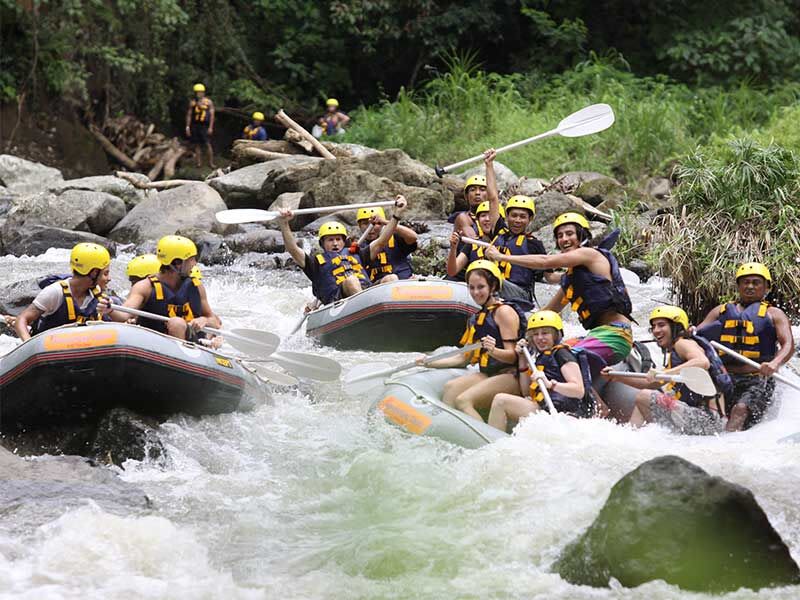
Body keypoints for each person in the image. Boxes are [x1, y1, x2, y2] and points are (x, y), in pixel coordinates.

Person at [486, 212, 634, 367]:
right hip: (598, 334)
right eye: (560, 236)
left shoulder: (590, 254)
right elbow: (547, 311)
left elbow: (545, 261)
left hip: (616, 335)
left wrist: (501, 257)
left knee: (558, 358)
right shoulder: (571, 280)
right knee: (547, 355)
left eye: (569, 234)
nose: (564, 239)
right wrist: (517, 331)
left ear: (581, 235)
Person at [696, 262, 795, 431]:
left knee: (740, 410)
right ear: (738, 285)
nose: (750, 286)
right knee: (708, 413)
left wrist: (775, 363)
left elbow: (789, 345)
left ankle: (726, 445)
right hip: (724, 377)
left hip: (757, 378)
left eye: (756, 282)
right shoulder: (720, 311)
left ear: (767, 287)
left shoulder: (774, 314)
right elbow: (697, 337)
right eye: (745, 282)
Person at [424, 260, 527, 422]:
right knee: (450, 389)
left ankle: (485, 436)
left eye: (481, 287)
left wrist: (493, 351)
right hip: (489, 374)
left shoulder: (504, 312)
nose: (475, 292)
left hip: (511, 376)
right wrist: (428, 362)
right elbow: (463, 358)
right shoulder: (476, 319)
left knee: (463, 401)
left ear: (493, 287)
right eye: (471, 287)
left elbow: (514, 356)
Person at [604, 306, 729, 435]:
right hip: (702, 419)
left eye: (661, 325)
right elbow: (651, 383)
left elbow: (702, 362)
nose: (656, 331)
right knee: (643, 399)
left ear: (676, 327)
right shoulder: (676, 354)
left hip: (709, 421)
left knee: (644, 396)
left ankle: (631, 435)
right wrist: (617, 377)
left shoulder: (683, 343)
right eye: (653, 327)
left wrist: (666, 373)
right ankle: (631, 435)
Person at [278, 196, 408, 305]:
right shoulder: (314, 262)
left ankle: (396, 312)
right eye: (330, 240)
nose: (335, 243)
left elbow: (382, 241)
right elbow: (292, 249)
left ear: (344, 241)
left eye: (338, 239)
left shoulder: (358, 253)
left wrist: (396, 215)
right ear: (322, 243)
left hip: (367, 293)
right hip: (339, 300)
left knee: (391, 278)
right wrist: (284, 223)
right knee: (351, 280)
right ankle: (366, 309)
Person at [489, 310, 594, 431]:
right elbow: (526, 392)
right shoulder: (542, 358)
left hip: (565, 415)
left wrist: (551, 385)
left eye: (545, 333)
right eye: (535, 334)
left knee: (501, 400)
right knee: (501, 401)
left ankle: (494, 440)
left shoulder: (562, 354)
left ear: (555, 335)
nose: (539, 338)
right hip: (546, 409)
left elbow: (578, 390)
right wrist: (522, 358)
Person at [102, 235, 220, 340]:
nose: (195, 264)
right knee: (177, 323)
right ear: (177, 263)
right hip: (155, 344)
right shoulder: (144, 287)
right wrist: (110, 310)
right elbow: (124, 314)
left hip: (193, 346)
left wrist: (204, 320)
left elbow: (215, 321)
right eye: (191, 259)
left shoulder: (197, 287)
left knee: (177, 324)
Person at [14, 243, 111, 341]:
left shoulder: (96, 293)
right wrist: (29, 343)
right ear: (94, 273)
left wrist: (110, 310)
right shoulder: (54, 292)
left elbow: (118, 321)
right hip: (50, 346)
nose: (109, 278)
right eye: (106, 273)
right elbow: (21, 319)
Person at [356, 206, 417, 283]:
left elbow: (413, 237)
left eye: (376, 223)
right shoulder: (358, 248)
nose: (370, 228)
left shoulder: (395, 238)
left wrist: (386, 222)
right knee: (391, 278)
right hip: (378, 286)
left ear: (382, 225)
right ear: (359, 225)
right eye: (365, 223)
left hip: (404, 283)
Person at [185, 83, 216, 168]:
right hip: (195, 125)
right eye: (197, 92)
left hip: (205, 126)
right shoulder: (192, 102)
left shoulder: (208, 102)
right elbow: (189, 115)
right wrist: (187, 127)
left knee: (207, 144)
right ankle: (199, 163)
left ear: (203, 93)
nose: (199, 94)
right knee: (197, 144)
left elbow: (212, 115)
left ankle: (211, 163)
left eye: (200, 92)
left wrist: (211, 127)